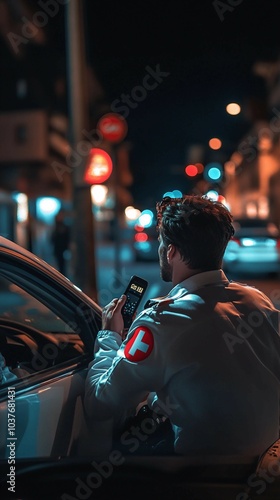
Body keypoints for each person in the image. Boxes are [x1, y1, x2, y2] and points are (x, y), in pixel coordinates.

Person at [84, 195, 280, 458]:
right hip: (265, 466)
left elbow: (100, 401)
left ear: (171, 251)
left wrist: (109, 335)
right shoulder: (258, 302)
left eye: (162, 242)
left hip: (201, 479)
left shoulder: (161, 321)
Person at [51, 211, 70, 275]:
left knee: (63, 266)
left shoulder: (64, 227)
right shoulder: (56, 227)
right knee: (60, 266)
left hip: (63, 249)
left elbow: (67, 238)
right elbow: (52, 239)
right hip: (58, 249)